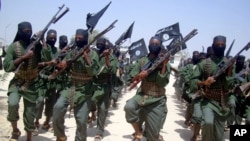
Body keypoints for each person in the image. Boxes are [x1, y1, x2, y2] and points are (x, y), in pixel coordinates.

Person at [52, 29, 100, 141]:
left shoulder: (93, 54)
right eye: (76, 38)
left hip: (85, 90)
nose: (78, 40)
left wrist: (86, 58)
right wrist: (62, 64)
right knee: (58, 108)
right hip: (71, 87)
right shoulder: (72, 52)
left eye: (80, 38)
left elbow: (94, 72)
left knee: (81, 121)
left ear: (85, 39)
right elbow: (64, 64)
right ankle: (60, 135)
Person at [3, 21, 47, 141]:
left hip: (31, 84)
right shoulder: (14, 46)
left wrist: (42, 41)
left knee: (29, 114)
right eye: (26, 31)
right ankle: (15, 130)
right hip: (17, 82)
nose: (29, 33)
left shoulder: (36, 45)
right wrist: (23, 57)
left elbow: (47, 59)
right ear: (20, 32)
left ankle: (29, 137)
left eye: (30, 31)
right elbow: (7, 66)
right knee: (12, 105)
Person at [124, 36, 170, 141]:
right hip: (142, 94)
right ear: (148, 45)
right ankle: (138, 131)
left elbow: (162, 83)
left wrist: (163, 65)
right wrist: (140, 75)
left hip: (157, 99)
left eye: (157, 44)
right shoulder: (142, 61)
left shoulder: (164, 62)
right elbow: (130, 79)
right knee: (129, 107)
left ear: (161, 46)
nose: (154, 45)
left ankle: (152, 134)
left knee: (152, 137)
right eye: (152, 43)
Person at [190, 35, 235, 141]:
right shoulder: (205, 63)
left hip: (222, 103)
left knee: (219, 136)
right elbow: (192, 82)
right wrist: (204, 82)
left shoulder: (228, 63)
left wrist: (229, 70)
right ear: (213, 46)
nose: (220, 46)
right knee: (208, 123)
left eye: (222, 45)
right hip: (208, 101)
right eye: (217, 44)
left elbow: (229, 86)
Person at [90, 38, 118, 140]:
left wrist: (106, 58)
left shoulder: (112, 58)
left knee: (102, 110)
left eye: (102, 44)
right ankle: (92, 112)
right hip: (91, 85)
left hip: (104, 86)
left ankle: (99, 132)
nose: (99, 45)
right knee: (89, 103)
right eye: (98, 44)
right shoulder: (92, 54)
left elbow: (113, 70)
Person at [34, 29, 58, 132]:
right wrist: (47, 63)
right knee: (39, 101)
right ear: (46, 38)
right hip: (41, 78)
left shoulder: (56, 50)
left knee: (50, 102)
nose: (52, 40)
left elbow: (57, 62)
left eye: (54, 38)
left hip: (52, 79)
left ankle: (47, 122)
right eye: (50, 38)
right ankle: (36, 122)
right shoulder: (39, 48)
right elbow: (36, 63)